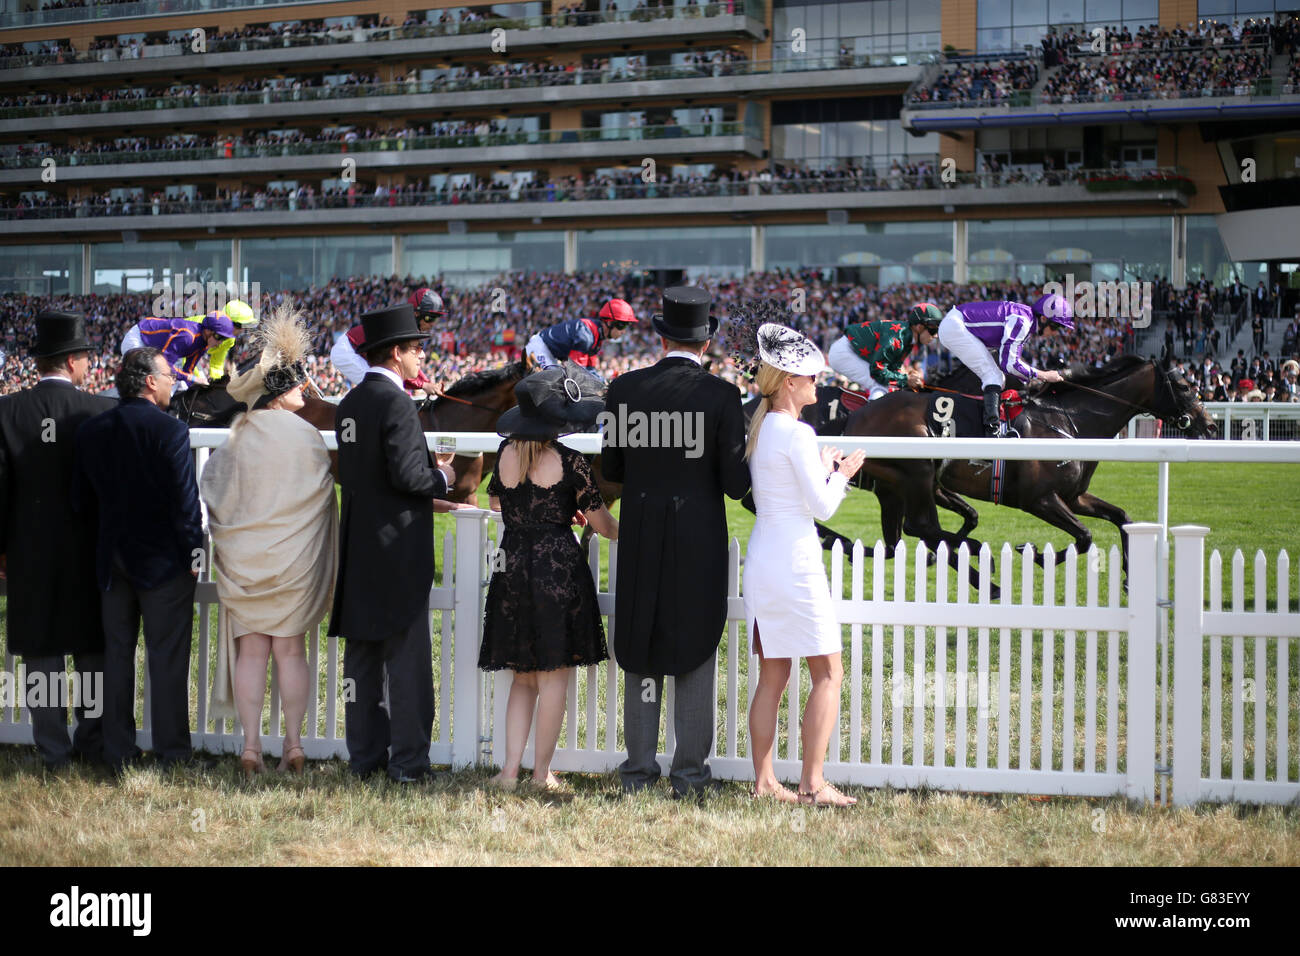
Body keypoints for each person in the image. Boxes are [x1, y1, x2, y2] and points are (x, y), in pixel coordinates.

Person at [602, 286, 751, 799]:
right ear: (705, 344)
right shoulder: (722, 396)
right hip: (697, 536)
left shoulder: (623, 390)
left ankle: (638, 773)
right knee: (694, 646)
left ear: (662, 338)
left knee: (641, 645)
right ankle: (689, 774)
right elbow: (736, 483)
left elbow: (613, 470)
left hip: (642, 529)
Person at [199, 303, 338, 778]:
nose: (306, 388)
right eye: (299, 383)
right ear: (281, 393)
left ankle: (251, 749)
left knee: (252, 651)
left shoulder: (238, 435)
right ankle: (294, 747)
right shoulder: (309, 437)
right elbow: (322, 498)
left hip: (246, 561)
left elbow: (214, 491)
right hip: (294, 563)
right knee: (290, 652)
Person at [327, 303, 456, 783]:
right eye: (417, 348)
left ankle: (364, 760)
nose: (422, 356)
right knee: (406, 663)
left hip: (359, 542)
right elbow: (408, 476)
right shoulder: (397, 403)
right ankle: (408, 764)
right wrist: (442, 476)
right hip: (398, 547)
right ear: (397, 353)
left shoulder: (351, 402)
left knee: (361, 663)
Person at [479, 362, 618, 791]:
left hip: (513, 563)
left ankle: (508, 772)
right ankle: (541, 773)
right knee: (553, 675)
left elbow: (499, 504)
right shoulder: (572, 462)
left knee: (522, 678)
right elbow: (605, 525)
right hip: (557, 566)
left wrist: (542, 512)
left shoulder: (505, 456)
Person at [743, 324, 865, 807]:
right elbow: (822, 507)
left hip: (765, 559)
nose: (818, 382)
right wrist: (840, 473)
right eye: (812, 377)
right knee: (829, 674)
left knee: (773, 677)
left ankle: (764, 782)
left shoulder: (763, 428)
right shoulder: (797, 431)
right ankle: (812, 784)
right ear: (790, 382)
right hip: (793, 563)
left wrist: (822, 469)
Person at [73, 347, 204, 773]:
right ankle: (172, 755)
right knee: (166, 660)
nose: (173, 382)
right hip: (163, 563)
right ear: (149, 381)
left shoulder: (93, 430)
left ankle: (117, 753)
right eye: (169, 376)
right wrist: (194, 553)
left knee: (116, 657)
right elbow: (187, 507)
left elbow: (81, 502)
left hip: (112, 560)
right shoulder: (169, 431)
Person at [0, 311, 115, 771]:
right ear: (71, 363)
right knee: (91, 647)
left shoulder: (7, 411)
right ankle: (91, 742)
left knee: (42, 651)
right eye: (85, 357)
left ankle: (53, 752)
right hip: (88, 550)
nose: (88, 364)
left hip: (30, 552)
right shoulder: (100, 410)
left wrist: (2, 547)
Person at [936, 293, 1074, 436]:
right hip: (955, 327)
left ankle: (990, 426)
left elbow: (1010, 363)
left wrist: (1032, 379)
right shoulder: (1022, 322)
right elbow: (1009, 364)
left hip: (956, 324)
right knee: (993, 377)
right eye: (1056, 327)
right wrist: (1043, 375)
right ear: (1044, 318)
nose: (1056, 333)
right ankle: (992, 431)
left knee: (997, 378)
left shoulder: (1026, 320)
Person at [330, 287, 447, 390]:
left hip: (356, 349)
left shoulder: (408, 325)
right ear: (416, 314)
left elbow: (408, 363)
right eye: (429, 318)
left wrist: (426, 383)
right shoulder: (402, 326)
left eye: (436, 319)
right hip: (347, 351)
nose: (432, 324)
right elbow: (399, 361)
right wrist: (424, 384)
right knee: (386, 387)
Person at [827, 302, 943, 398]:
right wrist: (906, 379)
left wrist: (907, 376)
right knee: (879, 384)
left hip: (851, 350)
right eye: (933, 331)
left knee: (889, 386)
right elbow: (877, 371)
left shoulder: (907, 339)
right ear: (919, 327)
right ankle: (873, 423)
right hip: (844, 353)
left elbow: (892, 368)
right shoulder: (897, 338)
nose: (936, 336)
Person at [119, 309, 238, 391]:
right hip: (138, 339)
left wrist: (200, 386)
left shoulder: (203, 344)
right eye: (219, 337)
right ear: (208, 331)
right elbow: (164, 366)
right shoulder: (187, 337)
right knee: (155, 380)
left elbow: (188, 370)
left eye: (224, 338)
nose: (220, 342)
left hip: (154, 349)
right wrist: (193, 379)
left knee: (181, 385)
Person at [523, 298, 637, 374]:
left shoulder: (597, 338)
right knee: (555, 384)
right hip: (539, 349)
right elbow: (577, 372)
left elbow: (590, 370)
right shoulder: (586, 336)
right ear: (610, 323)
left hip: (551, 353)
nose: (624, 331)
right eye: (622, 325)